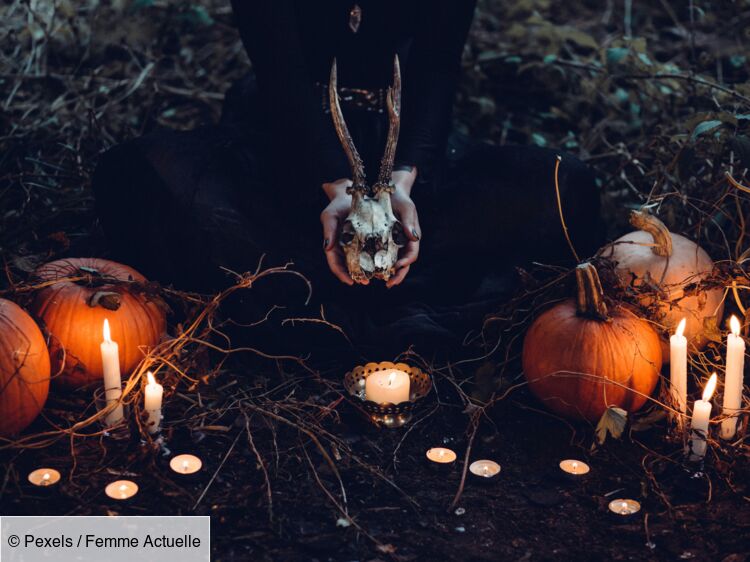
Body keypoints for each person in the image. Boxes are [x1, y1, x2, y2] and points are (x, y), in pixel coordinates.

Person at [93, 1, 602, 356]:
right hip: (289, 143)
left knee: (565, 190)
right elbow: (280, 73)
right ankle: (374, 289)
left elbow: (438, 66)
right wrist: (336, 185)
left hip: (408, 147)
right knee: (135, 175)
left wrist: (403, 181)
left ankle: (318, 284)